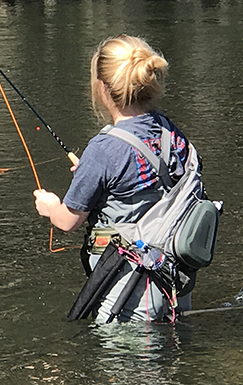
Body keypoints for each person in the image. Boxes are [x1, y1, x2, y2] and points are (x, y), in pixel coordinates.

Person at [33, 34, 193, 322]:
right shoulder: (171, 132)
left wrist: (50, 205)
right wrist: (96, 178)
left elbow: (67, 221)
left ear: (102, 88)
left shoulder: (103, 150)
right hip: (175, 282)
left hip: (127, 292)